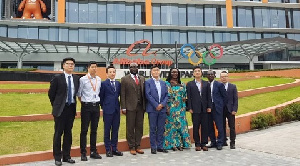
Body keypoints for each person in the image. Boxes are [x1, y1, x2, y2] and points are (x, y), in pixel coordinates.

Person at [48, 57, 79, 166]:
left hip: (71, 109)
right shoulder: (57, 78)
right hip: (60, 109)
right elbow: (51, 94)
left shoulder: (76, 78)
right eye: (68, 64)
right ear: (63, 65)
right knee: (58, 133)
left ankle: (66, 156)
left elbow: (75, 93)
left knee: (68, 133)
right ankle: (57, 157)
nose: (71, 65)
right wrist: (57, 105)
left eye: (72, 64)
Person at [77, 61, 102, 161]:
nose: (94, 69)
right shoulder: (83, 79)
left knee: (94, 130)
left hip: (96, 106)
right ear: (88, 68)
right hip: (86, 107)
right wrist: (85, 103)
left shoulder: (99, 79)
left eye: (95, 67)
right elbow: (79, 94)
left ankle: (93, 151)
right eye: (92, 67)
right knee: (84, 130)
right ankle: (83, 152)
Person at [120, 63, 146, 155]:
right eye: (132, 67)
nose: (134, 68)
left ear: (138, 68)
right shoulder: (124, 79)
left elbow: (144, 93)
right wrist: (123, 107)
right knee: (130, 127)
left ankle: (138, 145)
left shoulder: (142, 78)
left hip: (140, 106)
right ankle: (131, 146)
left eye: (135, 67)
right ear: (129, 68)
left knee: (139, 127)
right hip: (130, 106)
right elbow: (122, 94)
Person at [163, 68, 191, 151]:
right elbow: (165, 96)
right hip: (170, 108)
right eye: (173, 72)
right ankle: (172, 144)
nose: (174, 73)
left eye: (176, 72)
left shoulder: (182, 84)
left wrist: (184, 107)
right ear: (170, 73)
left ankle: (180, 144)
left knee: (181, 126)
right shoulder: (166, 84)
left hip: (180, 108)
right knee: (171, 127)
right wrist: (167, 108)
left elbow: (185, 97)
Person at [100, 65, 123, 157]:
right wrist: (104, 106)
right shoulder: (103, 84)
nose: (112, 73)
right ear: (107, 74)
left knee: (115, 130)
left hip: (116, 110)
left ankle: (114, 148)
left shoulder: (118, 84)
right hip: (107, 110)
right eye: (110, 72)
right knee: (107, 130)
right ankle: (108, 149)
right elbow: (101, 97)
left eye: (114, 72)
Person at [186, 66, 211, 151]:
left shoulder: (206, 84)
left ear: (201, 73)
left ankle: (204, 143)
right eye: (195, 71)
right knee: (196, 127)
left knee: (205, 126)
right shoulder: (190, 84)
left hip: (204, 109)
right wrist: (189, 107)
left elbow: (209, 97)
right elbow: (188, 97)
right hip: (195, 109)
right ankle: (197, 144)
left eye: (199, 71)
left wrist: (209, 106)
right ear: (193, 73)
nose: (197, 72)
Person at [145, 65, 169, 154]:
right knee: (152, 128)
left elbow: (167, 95)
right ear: (151, 72)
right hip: (152, 109)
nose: (156, 72)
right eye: (154, 71)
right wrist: (156, 105)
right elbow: (148, 95)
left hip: (162, 109)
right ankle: (153, 147)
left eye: (157, 70)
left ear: (159, 72)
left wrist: (162, 104)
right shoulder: (148, 82)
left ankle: (160, 146)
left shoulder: (163, 83)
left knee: (161, 128)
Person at [206, 70, 227, 150]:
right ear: (206, 76)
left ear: (214, 75)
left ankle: (220, 142)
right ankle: (213, 142)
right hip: (208, 108)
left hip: (217, 108)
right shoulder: (205, 85)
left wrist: (220, 105)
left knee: (219, 125)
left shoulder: (219, 84)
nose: (210, 76)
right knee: (209, 126)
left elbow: (225, 97)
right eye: (209, 74)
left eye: (212, 74)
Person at [220, 71, 238, 149]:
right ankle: (224, 141)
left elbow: (235, 99)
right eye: (222, 77)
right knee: (222, 126)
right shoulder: (218, 86)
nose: (224, 78)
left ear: (228, 77)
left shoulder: (232, 86)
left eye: (225, 76)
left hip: (230, 110)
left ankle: (232, 142)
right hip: (221, 110)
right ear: (220, 78)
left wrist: (234, 109)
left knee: (232, 127)